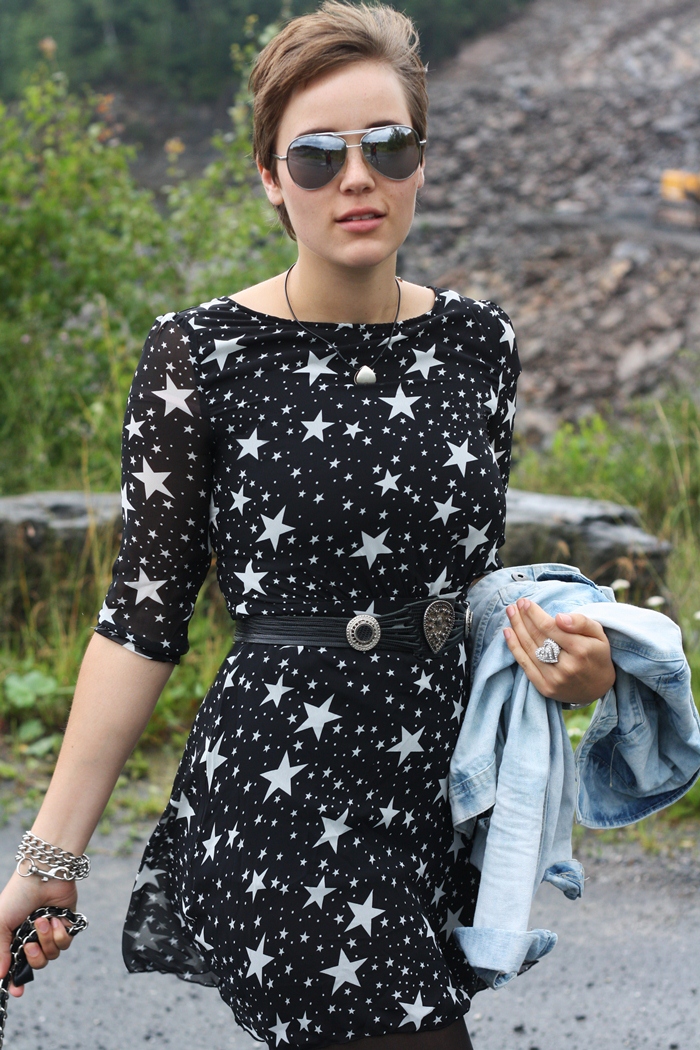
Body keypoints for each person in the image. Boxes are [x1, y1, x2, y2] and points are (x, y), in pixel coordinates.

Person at [0, 3, 616, 1048]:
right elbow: (140, 620)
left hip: (431, 800)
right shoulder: (201, 355)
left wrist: (573, 665)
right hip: (279, 802)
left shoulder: (479, 343)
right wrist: (48, 859)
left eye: (388, 147)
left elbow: (473, 590)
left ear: (421, 160)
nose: (357, 179)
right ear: (270, 178)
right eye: (319, 157)